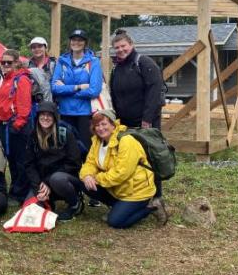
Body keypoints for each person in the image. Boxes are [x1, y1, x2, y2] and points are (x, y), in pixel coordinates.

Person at [79, 109, 168, 228]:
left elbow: (121, 173)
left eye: (104, 124)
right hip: (118, 188)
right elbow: (90, 163)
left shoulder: (126, 141)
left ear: (113, 124)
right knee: (84, 182)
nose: (100, 128)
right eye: (97, 125)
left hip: (136, 191)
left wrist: (96, 178)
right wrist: (87, 175)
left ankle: (151, 207)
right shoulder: (97, 141)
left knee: (115, 222)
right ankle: (119, 207)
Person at [109, 28, 166, 211]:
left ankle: (156, 196)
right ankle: (134, 194)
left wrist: (147, 119)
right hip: (125, 122)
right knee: (129, 159)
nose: (120, 50)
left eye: (123, 46)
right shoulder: (117, 68)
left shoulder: (144, 63)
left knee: (150, 157)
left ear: (131, 45)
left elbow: (155, 92)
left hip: (145, 122)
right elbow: (115, 95)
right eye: (117, 47)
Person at [23, 101, 84, 222]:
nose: (45, 118)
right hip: (43, 183)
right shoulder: (33, 135)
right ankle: (49, 201)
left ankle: (75, 204)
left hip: (65, 180)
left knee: (57, 179)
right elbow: (29, 164)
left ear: (55, 117)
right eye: (42, 114)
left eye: (49, 115)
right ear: (37, 116)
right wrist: (38, 186)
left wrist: (48, 182)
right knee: (30, 209)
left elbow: (75, 163)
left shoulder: (65, 133)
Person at [51, 29, 103, 151]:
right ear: (70, 42)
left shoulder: (93, 62)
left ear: (85, 43)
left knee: (86, 148)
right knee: (67, 148)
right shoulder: (62, 61)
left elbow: (94, 90)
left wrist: (66, 90)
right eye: (74, 40)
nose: (76, 43)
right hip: (65, 112)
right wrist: (77, 87)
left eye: (80, 40)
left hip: (85, 114)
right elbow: (54, 88)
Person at [0, 49, 33, 203]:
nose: (5, 65)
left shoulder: (21, 80)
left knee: (21, 161)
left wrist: (18, 124)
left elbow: (24, 105)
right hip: (5, 126)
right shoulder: (6, 79)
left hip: (16, 127)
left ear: (17, 62)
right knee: (12, 160)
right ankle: (16, 190)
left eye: (9, 62)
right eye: (3, 62)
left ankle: (20, 193)